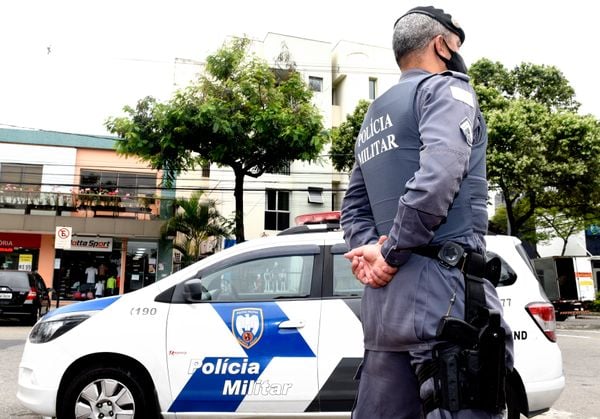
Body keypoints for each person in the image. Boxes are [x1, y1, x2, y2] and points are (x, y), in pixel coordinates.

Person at [340, 6, 514, 418]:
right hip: (445, 300)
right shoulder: (445, 91)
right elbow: (439, 175)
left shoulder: (373, 115)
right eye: (456, 44)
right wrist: (391, 251)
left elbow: (353, 207)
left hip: (384, 309)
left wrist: (372, 254)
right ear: (442, 44)